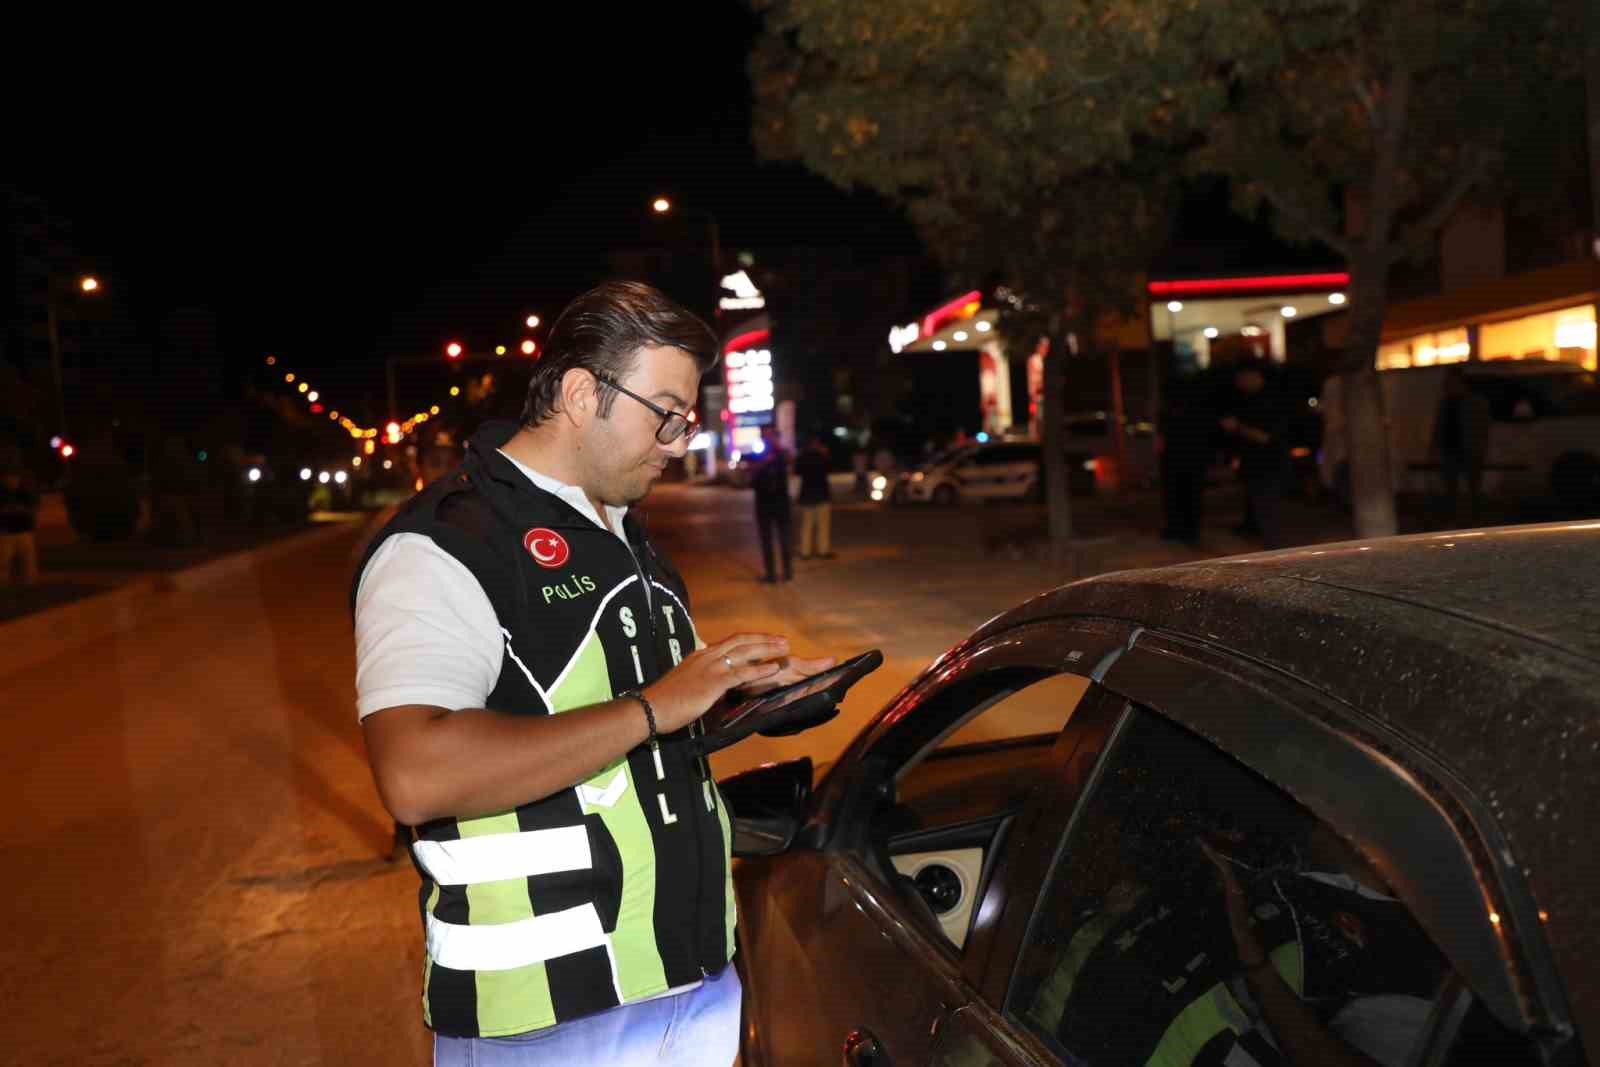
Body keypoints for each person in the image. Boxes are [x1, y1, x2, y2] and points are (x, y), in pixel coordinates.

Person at [352, 281, 832, 1066]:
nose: (678, 438)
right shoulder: (442, 547)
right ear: (582, 393)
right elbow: (414, 772)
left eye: (687, 417)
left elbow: (631, 722)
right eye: (665, 412)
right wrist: (657, 704)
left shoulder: (624, 534)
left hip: (691, 980)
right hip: (546, 1021)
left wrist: (738, 704)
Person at [1220, 363, 1291, 550]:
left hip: (1269, 466)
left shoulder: (1270, 402)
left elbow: (1268, 437)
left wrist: (1239, 428)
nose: (1239, 383)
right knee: (1263, 512)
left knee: (1270, 513)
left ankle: (1276, 552)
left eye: (1242, 378)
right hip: (1257, 465)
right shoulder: (1248, 400)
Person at [1429, 368, 1490, 527]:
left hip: (1469, 451)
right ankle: (1452, 518)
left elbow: (1482, 428)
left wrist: (1479, 448)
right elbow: (1439, 428)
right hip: (1451, 451)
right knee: (1451, 488)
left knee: (1473, 487)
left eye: (1452, 382)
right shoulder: (1445, 403)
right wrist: (1435, 449)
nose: (1449, 386)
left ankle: (1475, 519)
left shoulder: (1474, 402)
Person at [1157, 378, 1215, 545]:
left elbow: (1163, 440)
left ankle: (1180, 530)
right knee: (1191, 496)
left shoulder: (1171, 413)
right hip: (1191, 460)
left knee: (1178, 496)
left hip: (1177, 460)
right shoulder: (1197, 411)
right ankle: (1189, 530)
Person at [749, 425, 794, 583]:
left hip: (781, 502)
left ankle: (788, 572)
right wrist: (764, 461)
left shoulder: (782, 452)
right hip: (764, 503)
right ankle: (771, 574)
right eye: (765, 435)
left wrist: (777, 449)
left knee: (785, 538)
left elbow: (791, 462)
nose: (767, 438)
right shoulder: (757, 453)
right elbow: (750, 476)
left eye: (771, 435)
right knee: (766, 540)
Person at [0, 445, 40, 587]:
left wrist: (31, 522)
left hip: (24, 532)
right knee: (3, 563)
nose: (12, 480)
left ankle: (29, 585)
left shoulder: (23, 493)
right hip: (6, 534)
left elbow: (32, 508)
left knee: (28, 563)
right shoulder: (3, 494)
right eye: (9, 477)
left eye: (14, 477)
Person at [794, 435, 834, 560]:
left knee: (807, 525)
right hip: (821, 494)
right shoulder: (822, 457)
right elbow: (829, 469)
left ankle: (805, 552)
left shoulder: (802, 457)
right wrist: (825, 455)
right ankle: (823, 550)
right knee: (822, 525)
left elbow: (797, 471)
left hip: (807, 495)